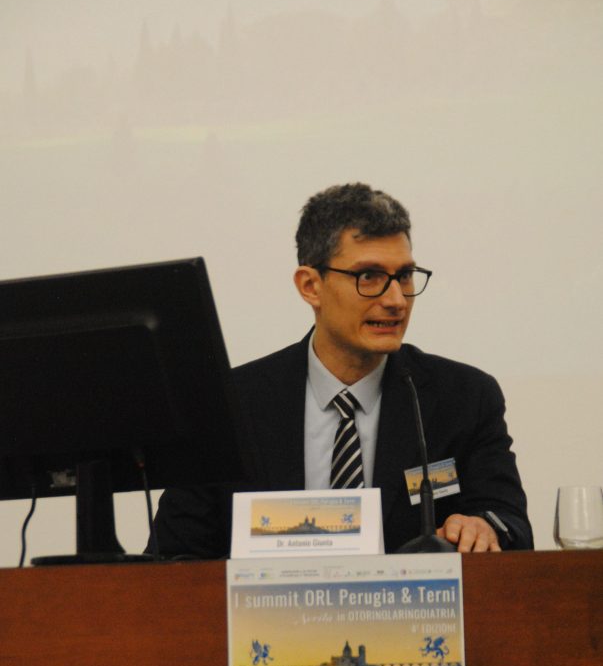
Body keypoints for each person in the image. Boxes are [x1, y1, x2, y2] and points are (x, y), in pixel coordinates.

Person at [152, 183, 532, 556]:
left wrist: (483, 525)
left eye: (403, 276)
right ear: (310, 286)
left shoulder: (463, 397)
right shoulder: (230, 403)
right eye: (369, 277)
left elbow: (509, 521)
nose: (396, 300)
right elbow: (172, 557)